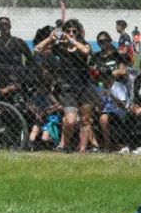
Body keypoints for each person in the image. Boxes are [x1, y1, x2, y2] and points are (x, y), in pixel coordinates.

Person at [36, 19, 97, 152]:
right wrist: (50, 38)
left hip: (85, 87)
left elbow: (86, 52)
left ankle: (82, 150)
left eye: (73, 31)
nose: (70, 33)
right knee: (70, 120)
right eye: (68, 31)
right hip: (68, 88)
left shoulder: (83, 44)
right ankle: (64, 145)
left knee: (86, 120)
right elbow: (38, 49)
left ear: (78, 32)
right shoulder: (60, 48)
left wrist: (72, 40)